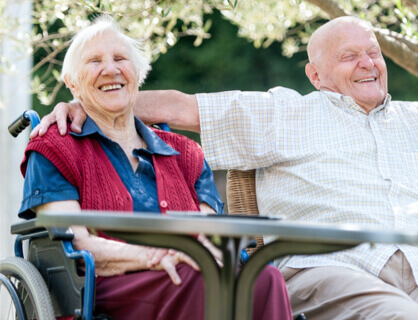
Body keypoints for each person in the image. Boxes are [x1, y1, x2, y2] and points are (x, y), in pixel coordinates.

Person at [33, 16, 418, 320]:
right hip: (330, 269)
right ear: (316, 74)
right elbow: (181, 109)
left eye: (373, 52)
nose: (368, 62)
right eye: (349, 56)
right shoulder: (282, 114)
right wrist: (94, 100)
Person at [19, 16, 292, 320]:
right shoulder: (54, 148)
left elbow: (210, 233)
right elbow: (74, 242)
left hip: (189, 273)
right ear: (72, 83)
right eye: (94, 61)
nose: (111, 69)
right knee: (197, 278)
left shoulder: (186, 153)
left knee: (266, 279)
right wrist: (155, 257)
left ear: (137, 74)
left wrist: (200, 250)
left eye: (120, 58)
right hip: (105, 288)